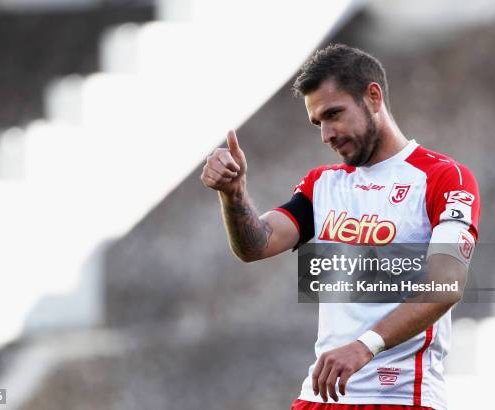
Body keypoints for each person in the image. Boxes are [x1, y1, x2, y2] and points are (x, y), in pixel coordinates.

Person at [200, 44, 480, 410]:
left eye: (334, 114)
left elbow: (446, 285)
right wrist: (233, 195)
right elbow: (257, 245)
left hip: (399, 396)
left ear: (373, 97)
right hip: (320, 396)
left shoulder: (444, 178)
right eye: (318, 122)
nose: (326, 134)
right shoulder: (324, 185)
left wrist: (366, 346)